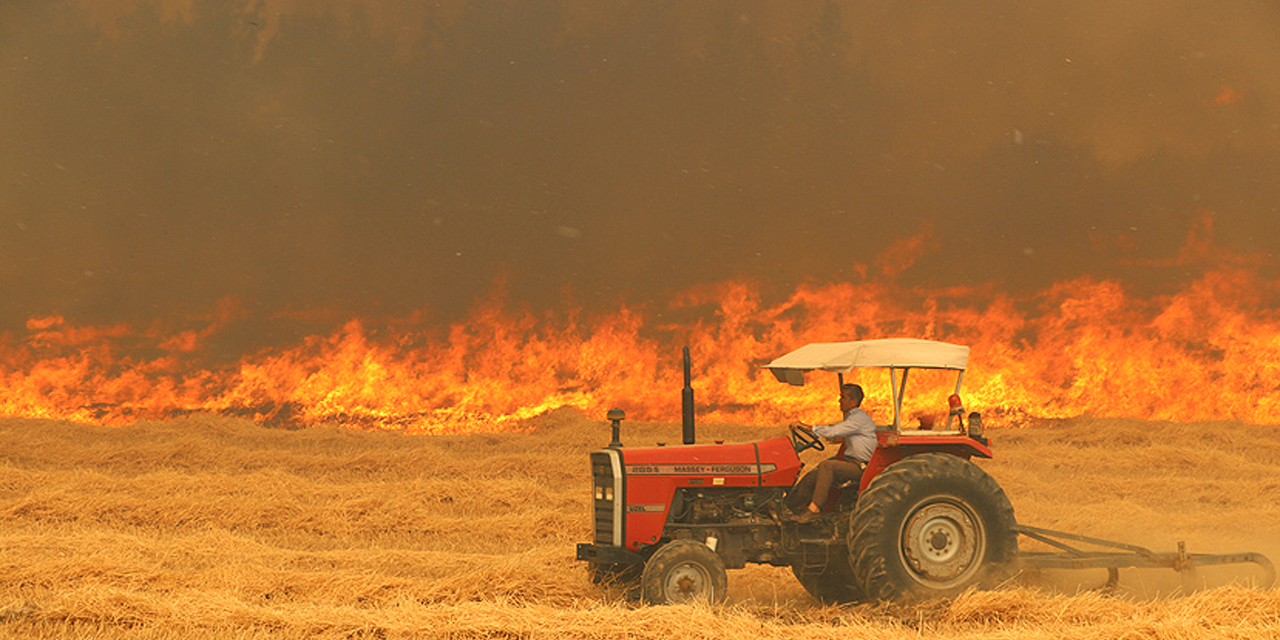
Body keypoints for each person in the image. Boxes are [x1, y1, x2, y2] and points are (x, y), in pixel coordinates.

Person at [785, 383, 876, 523]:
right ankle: (790, 506)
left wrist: (805, 426)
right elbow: (836, 434)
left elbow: (832, 431)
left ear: (853, 401)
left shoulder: (859, 418)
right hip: (850, 462)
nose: (840, 400)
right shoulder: (852, 418)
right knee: (815, 473)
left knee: (828, 466)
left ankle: (814, 510)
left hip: (861, 467)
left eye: (843, 397)